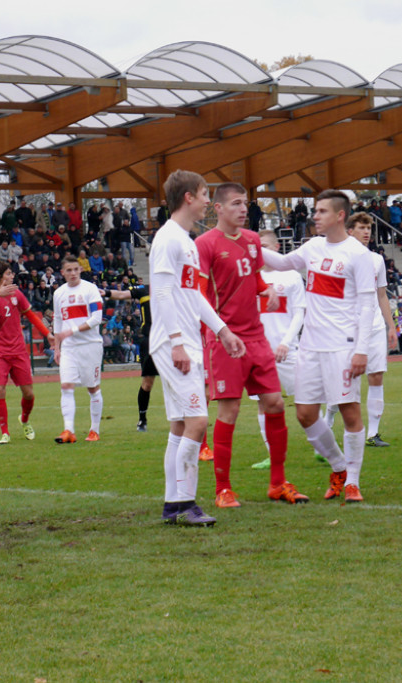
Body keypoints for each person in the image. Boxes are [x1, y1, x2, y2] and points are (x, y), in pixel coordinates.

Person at [261, 190, 377, 503]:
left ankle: (352, 482)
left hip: (342, 345)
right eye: (315, 210)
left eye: (322, 211)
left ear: (340, 215)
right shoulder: (313, 246)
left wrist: (362, 349)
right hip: (310, 346)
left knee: (351, 413)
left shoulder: (358, 254)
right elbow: (283, 261)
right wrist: (249, 246)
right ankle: (339, 467)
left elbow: (367, 305)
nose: (315, 216)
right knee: (305, 414)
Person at [196, 182, 308, 507]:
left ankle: (278, 483)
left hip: (256, 337)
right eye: (235, 204)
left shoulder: (253, 240)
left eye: (244, 203)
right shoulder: (205, 244)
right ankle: (223, 489)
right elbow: (199, 295)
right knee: (229, 410)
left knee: (274, 403)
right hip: (225, 339)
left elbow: (257, 278)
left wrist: (267, 290)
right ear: (217, 208)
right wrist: (219, 331)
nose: (243, 209)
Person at [149, 170, 245, 526]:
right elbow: (161, 293)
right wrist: (176, 343)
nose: (209, 201)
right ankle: (186, 502)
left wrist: (222, 331)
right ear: (188, 197)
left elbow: (193, 295)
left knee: (179, 425)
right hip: (175, 341)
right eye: (205, 195)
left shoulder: (186, 241)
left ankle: (173, 505)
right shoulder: (168, 239)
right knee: (198, 420)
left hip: (187, 338)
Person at [324, 213, 398, 447]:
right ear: (350, 230)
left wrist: (391, 326)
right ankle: (328, 418)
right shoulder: (339, 258)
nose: (366, 232)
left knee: (376, 376)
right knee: (345, 380)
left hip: (374, 326)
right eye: (361, 228)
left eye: (369, 228)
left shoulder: (376, 260)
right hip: (347, 328)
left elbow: (382, 294)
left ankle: (373, 434)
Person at [0, 260, 55, 444]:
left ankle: (25, 420)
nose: (12, 276)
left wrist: (48, 334)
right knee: (0, 391)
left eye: (12, 273)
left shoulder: (17, 294)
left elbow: (30, 315)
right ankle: (5, 432)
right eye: (8, 273)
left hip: (19, 351)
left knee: (29, 394)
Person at [250, 229, 306, 470]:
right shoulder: (251, 278)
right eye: (256, 246)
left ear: (275, 249)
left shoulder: (292, 276)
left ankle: (321, 447)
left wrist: (286, 342)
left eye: (264, 246)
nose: (259, 251)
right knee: (263, 403)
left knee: (307, 401)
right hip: (259, 351)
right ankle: (271, 454)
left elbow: (299, 312)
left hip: (288, 350)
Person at [52, 254, 104, 443]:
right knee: (66, 386)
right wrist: (57, 347)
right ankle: (69, 430)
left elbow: (96, 318)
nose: (73, 273)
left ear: (80, 269)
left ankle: (94, 430)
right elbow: (58, 320)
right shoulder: (58, 293)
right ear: (63, 272)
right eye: (69, 270)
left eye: (76, 269)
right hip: (69, 348)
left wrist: (72, 330)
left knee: (93, 388)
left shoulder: (90, 289)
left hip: (90, 345)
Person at [101, 282, 156, 432]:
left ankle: (180, 419)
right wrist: (104, 292)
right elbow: (121, 294)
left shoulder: (174, 286)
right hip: (150, 340)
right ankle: (142, 419)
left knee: (175, 381)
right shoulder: (144, 289)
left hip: (170, 339)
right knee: (147, 382)